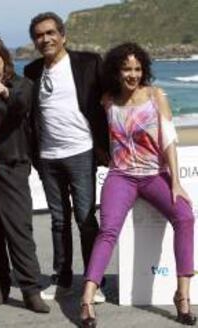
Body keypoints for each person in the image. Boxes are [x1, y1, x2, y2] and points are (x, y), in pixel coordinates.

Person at [80, 42, 196, 328]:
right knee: (107, 230)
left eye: (137, 69)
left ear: (143, 70)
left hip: (154, 175)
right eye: (126, 69)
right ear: (116, 72)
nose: (132, 74)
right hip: (121, 176)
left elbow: (168, 140)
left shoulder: (156, 96)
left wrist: (177, 183)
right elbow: (93, 125)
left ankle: (182, 297)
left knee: (185, 216)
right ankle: (86, 299)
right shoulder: (108, 100)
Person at [24, 12, 109, 301]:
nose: (45, 39)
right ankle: (61, 279)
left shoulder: (88, 63)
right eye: (39, 35)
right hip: (47, 157)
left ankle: (93, 280)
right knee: (59, 221)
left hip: (81, 152)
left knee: (85, 218)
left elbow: (113, 92)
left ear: (63, 36)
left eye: (50, 33)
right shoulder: (32, 71)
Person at [0, 35, 50, 313]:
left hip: (13, 165)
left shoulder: (22, 84)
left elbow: (23, 106)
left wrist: (5, 92)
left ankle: (30, 289)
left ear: (4, 58)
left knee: (19, 230)